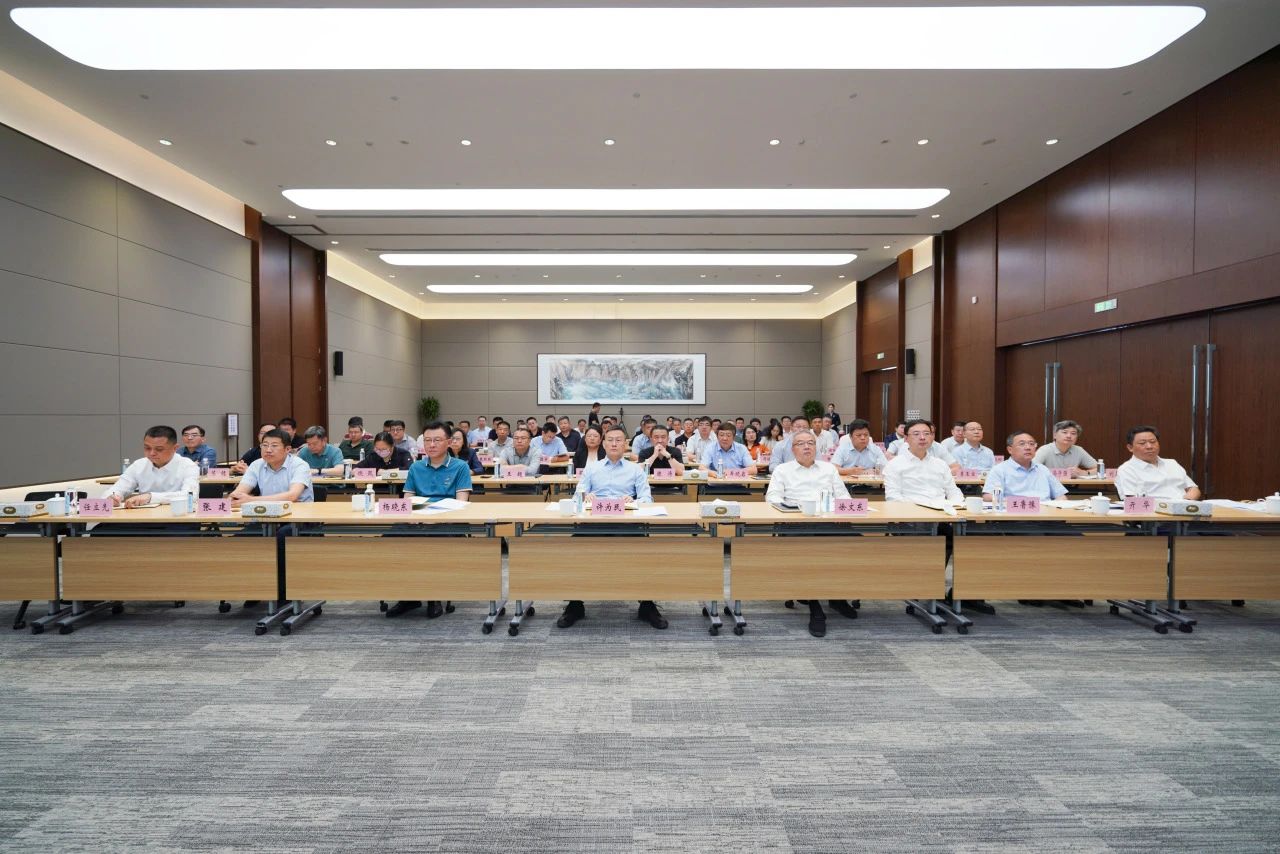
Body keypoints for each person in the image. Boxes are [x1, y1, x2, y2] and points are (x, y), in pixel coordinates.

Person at [562, 427, 663, 630]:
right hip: (593, 523)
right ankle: (575, 604)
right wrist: (585, 496)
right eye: (610, 440)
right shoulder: (592, 468)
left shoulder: (636, 469)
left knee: (645, 551)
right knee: (573, 549)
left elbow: (647, 499)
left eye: (619, 440)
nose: (614, 444)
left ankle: (647, 604)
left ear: (625, 445)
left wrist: (634, 501)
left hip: (627, 523)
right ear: (604, 444)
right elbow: (576, 497)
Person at [766, 428, 854, 635]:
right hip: (797, 523)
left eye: (811, 443)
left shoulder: (828, 469)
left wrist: (841, 512)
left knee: (857, 545)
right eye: (801, 443)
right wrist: (794, 511)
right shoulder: (782, 470)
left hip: (829, 522)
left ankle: (837, 597)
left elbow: (844, 497)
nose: (806, 447)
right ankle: (815, 606)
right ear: (792, 449)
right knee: (811, 552)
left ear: (816, 447)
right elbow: (772, 499)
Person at [389, 421, 474, 619]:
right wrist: (413, 517)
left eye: (437, 440)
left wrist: (435, 516)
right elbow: (407, 500)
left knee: (432, 543)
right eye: (427, 440)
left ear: (449, 442)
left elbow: (461, 503)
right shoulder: (416, 467)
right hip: (417, 520)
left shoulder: (460, 467)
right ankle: (407, 596)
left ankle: (434, 595)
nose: (432, 445)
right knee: (390, 539)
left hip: (447, 522)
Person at [106, 425, 200, 508]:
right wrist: (113, 497)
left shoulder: (188, 466)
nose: (152, 453)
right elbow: (117, 488)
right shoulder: (139, 465)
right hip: (143, 517)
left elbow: (190, 496)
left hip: (177, 516)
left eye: (159, 449)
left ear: (175, 448)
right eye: (147, 448)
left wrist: (150, 497)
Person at [883, 419, 963, 505]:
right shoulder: (894, 464)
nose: (922, 437)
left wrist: (956, 505)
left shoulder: (940, 464)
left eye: (926, 434)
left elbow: (953, 491)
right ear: (906, 438)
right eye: (916, 434)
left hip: (941, 510)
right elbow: (893, 497)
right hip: (909, 510)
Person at [229, 428, 313, 506]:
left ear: (287, 449)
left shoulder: (299, 465)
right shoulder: (256, 465)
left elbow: (292, 496)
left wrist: (251, 500)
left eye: (274, 445)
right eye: (265, 445)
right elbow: (239, 491)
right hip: (266, 512)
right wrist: (233, 498)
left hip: (298, 513)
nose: (268, 450)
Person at [1115, 425, 1200, 499]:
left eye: (1153, 442)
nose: (1149, 446)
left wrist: (1186, 502)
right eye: (1142, 443)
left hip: (1182, 508)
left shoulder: (1172, 463)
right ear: (1130, 447)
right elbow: (1132, 500)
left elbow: (1193, 488)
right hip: (1154, 511)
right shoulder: (1127, 469)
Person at [982, 431, 1067, 503]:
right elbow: (988, 496)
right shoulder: (999, 470)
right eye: (1022, 444)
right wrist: (1017, 503)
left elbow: (1061, 495)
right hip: (1014, 514)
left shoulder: (1043, 469)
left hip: (1045, 513)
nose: (1028, 447)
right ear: (1010, 450)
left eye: (1031, 444)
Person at [1033, 419, 1100, 476]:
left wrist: (1084, 472)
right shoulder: (1045, 450)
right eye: (1065, 432)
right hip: (1048, 486)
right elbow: (1031, 469)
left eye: (1073, 433)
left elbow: (1100, 469)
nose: (1069, 436)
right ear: (1055, 435)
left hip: (1071, 486)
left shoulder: (1078, 450)